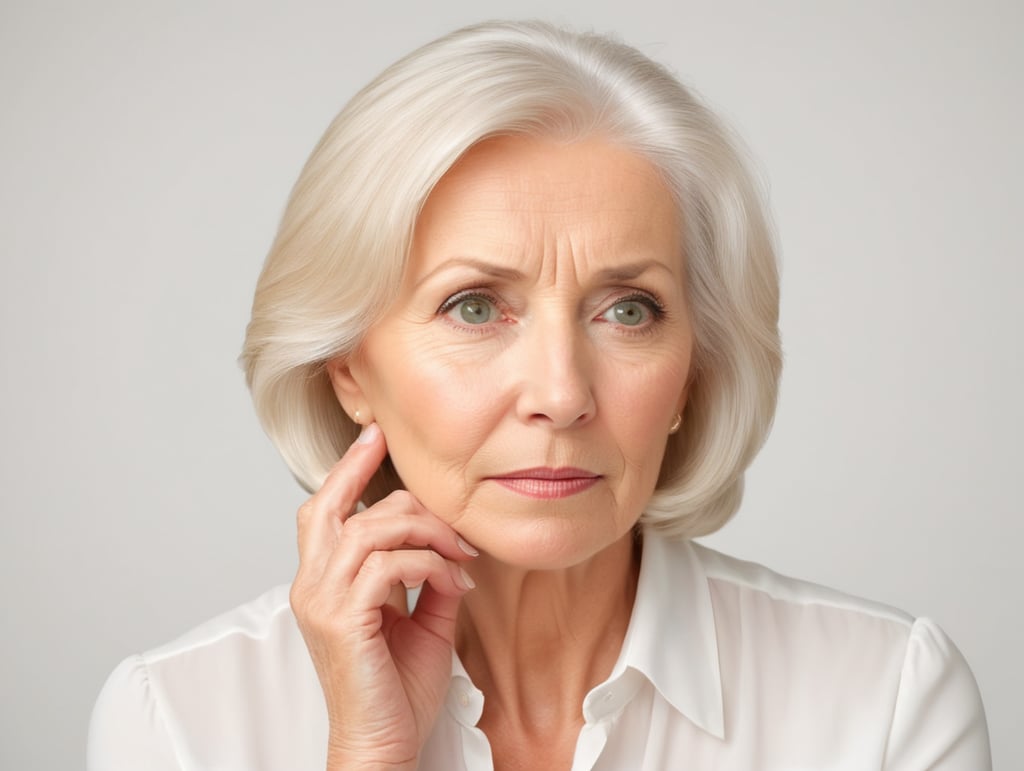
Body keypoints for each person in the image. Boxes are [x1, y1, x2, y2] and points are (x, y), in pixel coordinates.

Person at [86, 20, 991, 771]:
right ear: (351, 370)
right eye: (475, 306)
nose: (561, 394)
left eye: (629, 310)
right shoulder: (177, 723)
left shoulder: (885, 702)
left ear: (693, 371)